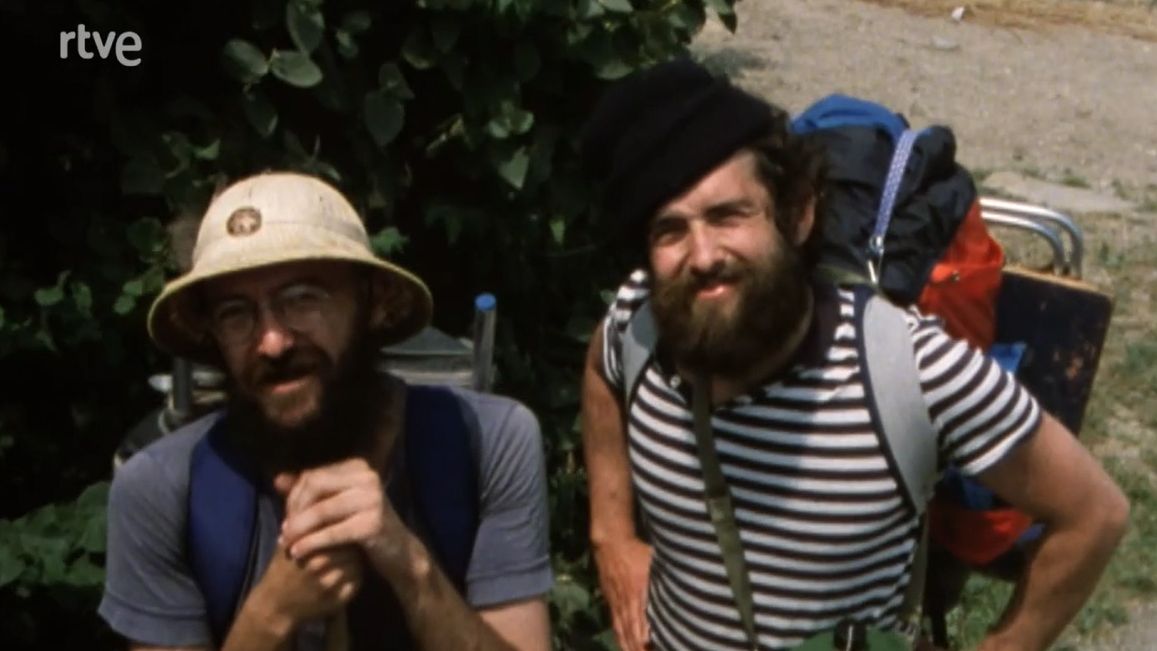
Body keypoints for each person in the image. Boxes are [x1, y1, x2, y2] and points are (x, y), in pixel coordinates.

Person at [576, 57, 1129, 651]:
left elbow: (1094, 514)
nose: (704, 254)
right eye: (671, 230)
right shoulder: (640, 323)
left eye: (729, 215)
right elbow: (602, 367)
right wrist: (613, 533)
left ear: (797, 214)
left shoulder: (906, 370)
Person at [98, 172, 553, 651]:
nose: (272, 342)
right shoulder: (162, 489)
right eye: (236, 314)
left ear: (372, 302)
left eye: (302, 300)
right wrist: (272, 613)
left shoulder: (486, 442)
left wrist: (412, 569)